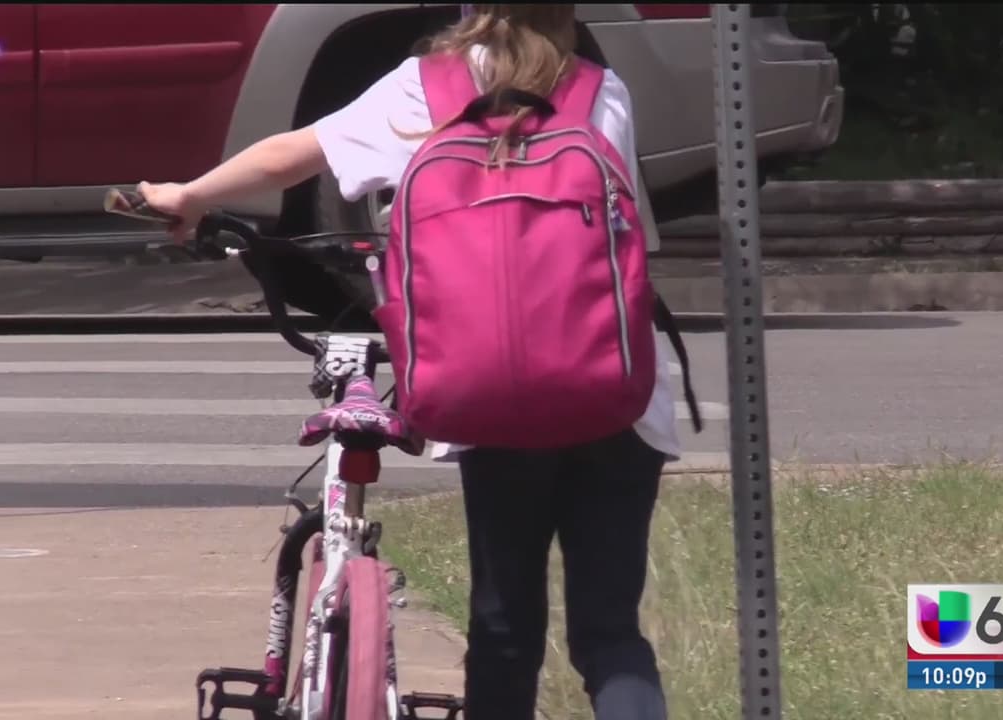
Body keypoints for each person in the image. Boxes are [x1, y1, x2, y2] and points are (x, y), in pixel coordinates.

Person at [137, 5, 677, 720]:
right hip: (614, 393)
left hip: (489, 397)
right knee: (610, 635)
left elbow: (292, 155)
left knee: (505, 632)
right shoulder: (600, 91)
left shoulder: (425, 88)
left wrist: (190, 196)